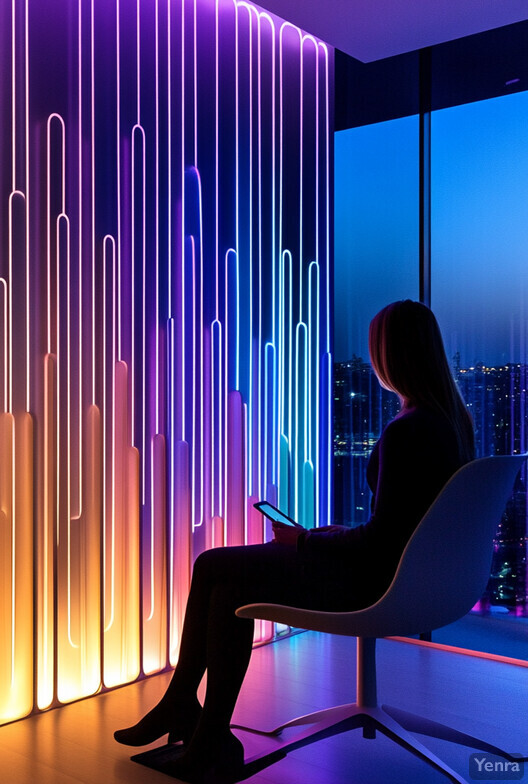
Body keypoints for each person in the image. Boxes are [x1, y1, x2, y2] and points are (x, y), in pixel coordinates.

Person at [113, 300, 475, 783]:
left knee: (216, 569)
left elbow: (384, 542)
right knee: (220, 575)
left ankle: (196, 720)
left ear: (391, 356)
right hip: (416, 580)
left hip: (374, 584)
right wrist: (327, 536)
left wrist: (307, 543)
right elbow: (405, 528)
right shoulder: (452, 423)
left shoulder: (408, 431)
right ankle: (199, 724)